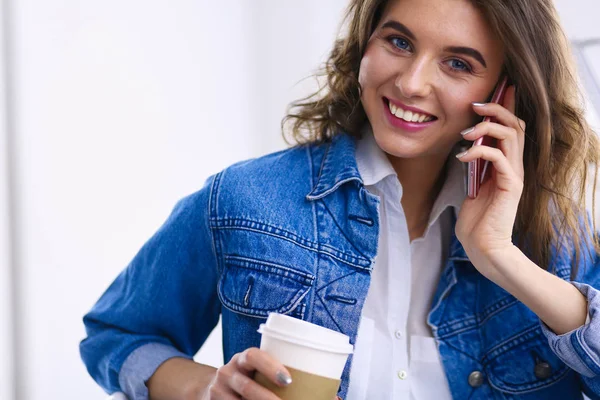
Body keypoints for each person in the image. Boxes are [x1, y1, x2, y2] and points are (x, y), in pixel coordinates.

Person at [80, 0, 600, 399]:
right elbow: (117, 334)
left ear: (506, 94)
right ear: (365, 45)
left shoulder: (554, 237)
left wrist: (501, 257)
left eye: (458, 64)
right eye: (398, 42)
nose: (412, 82)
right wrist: (212, 388)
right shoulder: (246, 200)